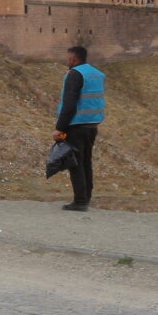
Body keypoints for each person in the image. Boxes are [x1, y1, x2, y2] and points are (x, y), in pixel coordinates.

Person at [54, 45, 105, 212]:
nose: (67, 61)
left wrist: (59, 128)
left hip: (76, 125)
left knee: (75, 164)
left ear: (73, 59)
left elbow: (69, 105)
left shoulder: (74, 74)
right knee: (85, 162)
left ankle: (80, 201)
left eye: (68, 58)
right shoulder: (96, 74)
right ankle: (86, 197)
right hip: (92, 125)